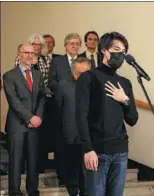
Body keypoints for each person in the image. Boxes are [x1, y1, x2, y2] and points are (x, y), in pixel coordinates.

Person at [76, 31, 139, 196]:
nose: (121, 54)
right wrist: (88, 149)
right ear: (104, 50)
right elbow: (81, 116)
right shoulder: (89, 77)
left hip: (120, 151)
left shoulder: (125, 83)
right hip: (97, 151)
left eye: (123, 51)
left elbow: (132, 119)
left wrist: (124, 99)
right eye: (117, 48)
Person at [3, 44, 46, 196]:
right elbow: (13, 101)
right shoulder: (9, 76)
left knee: (34, 160)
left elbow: (42, 97)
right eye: (26, 52)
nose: (29, 55)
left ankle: (32, 190)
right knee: (16, 160)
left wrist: (38, 117)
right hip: (17, 124)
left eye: (32, 53)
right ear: (19, 54)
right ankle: (14, 191)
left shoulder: (38, 74)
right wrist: (30, 117)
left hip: (35, 125)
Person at [54, 57, 91, 196]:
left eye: (85, 73)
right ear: (73, 72)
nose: (82, 77)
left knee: (88, 169)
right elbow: (58, 111)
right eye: (78, 73)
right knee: (72, 168)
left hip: (90, 135)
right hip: (70, 134)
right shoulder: (63, 86)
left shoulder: (96, 86)